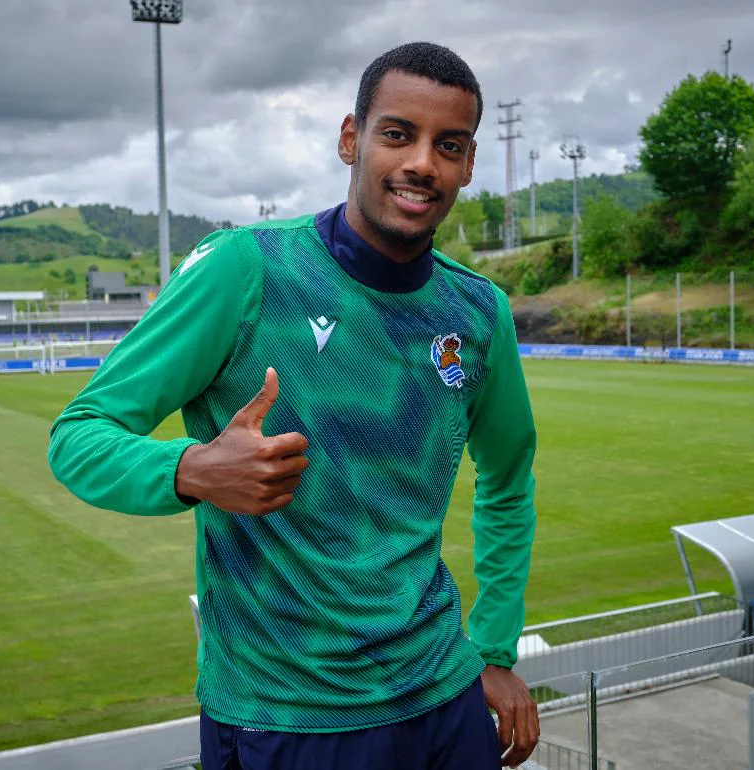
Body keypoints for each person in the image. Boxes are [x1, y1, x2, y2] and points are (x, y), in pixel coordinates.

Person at [48, 41, 539, 769]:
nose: (422, 164)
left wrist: (494, 647)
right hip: (285, 718)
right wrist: (191, 470)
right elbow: (78, 436)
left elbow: (508, 476)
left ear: (467, 166)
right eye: (398, 134)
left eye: (450, 145)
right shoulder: (246, 269)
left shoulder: (478, 311)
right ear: (352, 139)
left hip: (442, 701)